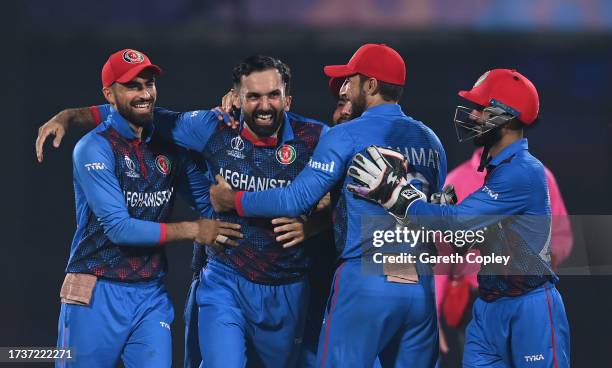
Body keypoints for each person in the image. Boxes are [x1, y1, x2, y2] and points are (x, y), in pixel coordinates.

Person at [38, 54, 333, 367]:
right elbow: (120, 224)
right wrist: (69, 116)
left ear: (287, 99)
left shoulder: (316, 138)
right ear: (236, 97)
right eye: (254, 96)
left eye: (273, 95)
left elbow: (209, 202)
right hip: (125, 284)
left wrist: (314, 222)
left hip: (179, 290)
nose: (264, 105)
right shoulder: (101, 146)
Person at [209, 43, 446, 367]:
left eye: (351, 81)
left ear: (371, 85)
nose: (345, 88)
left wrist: (234, 199)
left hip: (366, 280)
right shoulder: (432, 142)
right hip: (419, 285)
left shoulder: (346, 135)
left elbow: (294, 199)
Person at [348, 69, 570, 367]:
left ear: (509, 115)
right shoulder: (496, 170)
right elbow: (466, 239)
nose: (474, 115)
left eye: (482, 108)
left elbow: (459, 222)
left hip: (528, 308)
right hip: (488, 307)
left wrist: (397, 195)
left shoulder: (523, 172)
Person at [49, 49, 242, 368]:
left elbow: (208, 206)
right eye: (132, 86)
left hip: (150, 295)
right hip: (95, 290)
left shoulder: (170, 146)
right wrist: (194, 230)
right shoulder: (93, 147)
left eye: (149, 84)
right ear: (109, 94)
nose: (144, 94)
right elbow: (120, 229)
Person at [436, 146, 574, 367]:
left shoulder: (537, 175)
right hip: (476, 303)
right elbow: (441, 256)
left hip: (527, 296)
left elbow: (561, 237)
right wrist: (434, 315)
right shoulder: (456, 181)